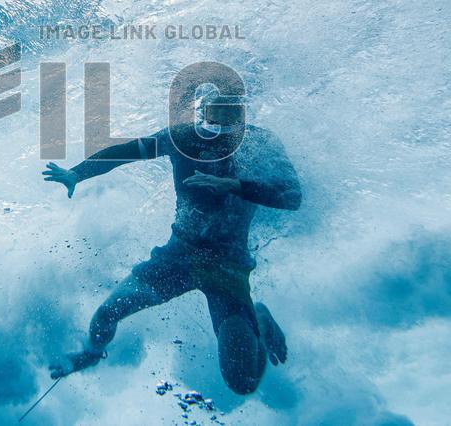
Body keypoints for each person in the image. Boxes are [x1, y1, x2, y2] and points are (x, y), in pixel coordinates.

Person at [42, 93, 301, 394]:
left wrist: (234, 185)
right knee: (105, 316)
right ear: (203, 115)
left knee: (241, 381)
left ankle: (261, 319)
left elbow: (292, 195)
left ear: (243, 116)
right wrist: (76, 172)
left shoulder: (260, 143)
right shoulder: (182, 136)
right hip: (179, 256)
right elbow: (125, 152)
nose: (220, 133)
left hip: (227, 268)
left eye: (232, 118)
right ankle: (90, 354)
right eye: (214, 119)